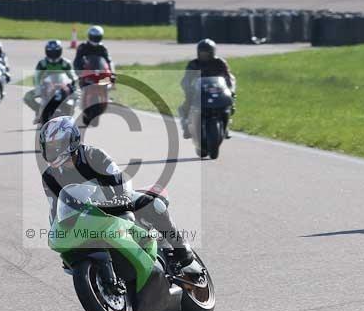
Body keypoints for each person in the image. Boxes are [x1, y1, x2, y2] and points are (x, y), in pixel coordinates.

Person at [39, 116, 195, 272]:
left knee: (154, 204)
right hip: (87, 216)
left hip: (115, 203)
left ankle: (181, 247)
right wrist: (61, 238)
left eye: (56, 145)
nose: (52, 151)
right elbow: (55, 209)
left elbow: (119, 179)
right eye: (48, 147)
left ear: (71, 140)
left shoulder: (94, 155)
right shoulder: (49, 176)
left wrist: (123, 198)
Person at [178, 38, 237, 139]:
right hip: (199, 91)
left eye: (207, 53)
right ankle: (187, 126)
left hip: (216, 90)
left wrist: (230, 89)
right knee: (186, 104)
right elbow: (186, 79)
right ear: (198, 52)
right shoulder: (193, 64)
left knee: (229, 102)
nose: (204, 55)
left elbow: (228, 77)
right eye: (202, 53)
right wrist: (187, 88)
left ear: (212, 52)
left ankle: (226, 127)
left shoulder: (220, 62)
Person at [24, 40, 78, 123]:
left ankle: (70, 113)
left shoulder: (66, 63)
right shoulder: (42, 63)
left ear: (60, 51)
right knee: (27, 97)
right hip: (46, 87)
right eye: (51, 51)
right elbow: (37, 76)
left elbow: (73, 76)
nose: (53, 53)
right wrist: (38, 87)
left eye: (55, 51)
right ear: (46, 51)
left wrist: (74, 86)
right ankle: (39, 111)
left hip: (62, 86)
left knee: (76, 96)